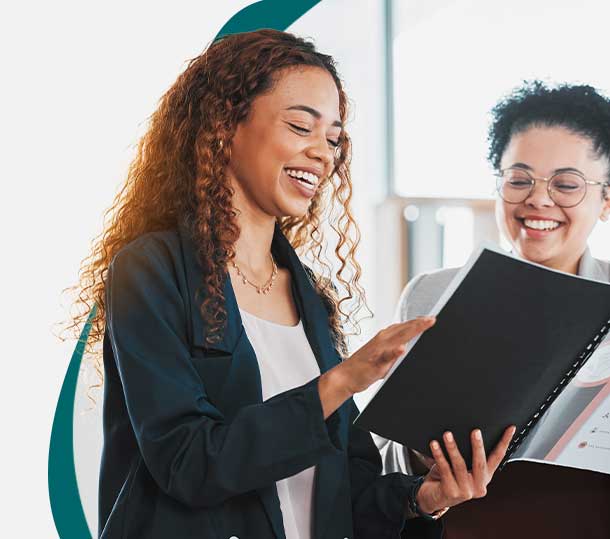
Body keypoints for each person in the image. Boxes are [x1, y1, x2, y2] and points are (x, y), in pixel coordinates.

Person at [69, 30, 515, 539]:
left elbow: (347, 484)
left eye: (332, 139)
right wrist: (340, 382)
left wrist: (421, 499)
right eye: (301, 126)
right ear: (222, 126)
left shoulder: (311, 299)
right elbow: (187, 463)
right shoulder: (151, 271)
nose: (323, 153)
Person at [378, 81, 610, 538]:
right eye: (519, 179)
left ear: (606, 199)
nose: (538, 199)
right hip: (468, 523)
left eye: (565, 184)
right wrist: (421, 455)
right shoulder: (431, 295)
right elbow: (384, 461)